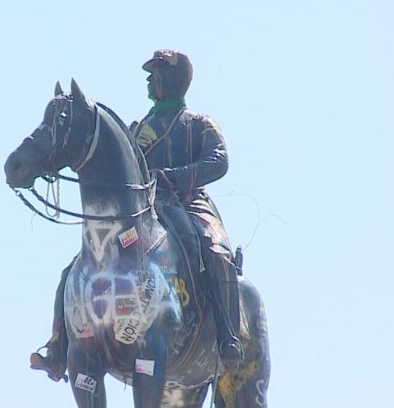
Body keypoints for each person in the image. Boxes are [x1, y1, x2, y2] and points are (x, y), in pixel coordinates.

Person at [30, 50, 243, 381]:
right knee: (75, 268)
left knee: (216, 253)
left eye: (156, 73)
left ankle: (229, 336)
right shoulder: (138, 128)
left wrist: (175, 176)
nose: (149, 79)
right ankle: (58, 348)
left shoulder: (199, 123)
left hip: (187, 203)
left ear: (173, 79)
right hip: (144, 209)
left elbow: (218, 162)